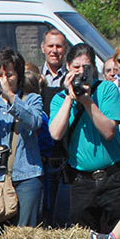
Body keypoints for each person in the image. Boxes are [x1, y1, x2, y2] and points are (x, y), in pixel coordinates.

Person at [49, 43, 120, 232]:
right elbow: (56, 133)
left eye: (87, 67)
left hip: (112, 178)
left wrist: (86, 100)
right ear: (67, 67)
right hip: (81, 182)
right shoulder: (59, 99)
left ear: (94, 68)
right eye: (76, 67)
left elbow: (108, 131)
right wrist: (70, 97)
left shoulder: (107, 90)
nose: (81, 72)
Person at [0, 48, 48, 227]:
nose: (4, 79)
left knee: (24, 234)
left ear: (19, 75)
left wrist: (10, 96)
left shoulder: (31, 99)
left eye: (9, 75)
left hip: (27, 175)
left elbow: (34, 122)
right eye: (0, 74)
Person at [35, 28, 71, 223]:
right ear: (43, 48)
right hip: (40, 158)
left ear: (65, 49)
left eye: (59, 46)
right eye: (51, 46)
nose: (54, 50)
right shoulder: (33, 78)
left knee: (63, 218)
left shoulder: (72, 78)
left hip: (65, 157)